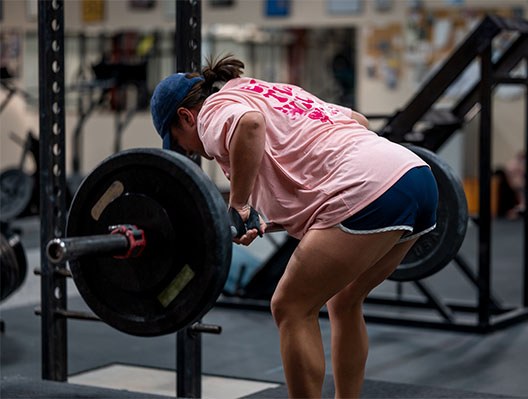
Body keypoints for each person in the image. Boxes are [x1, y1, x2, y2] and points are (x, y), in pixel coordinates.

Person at [150, 55, 438, 398]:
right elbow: (356, 121)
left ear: (185, 117)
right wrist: (266, 216)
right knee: (344, 300)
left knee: (290, 306)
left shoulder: (212, 112)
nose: (187, 150)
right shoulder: (267, 90)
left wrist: (238, 203)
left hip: (368, 191)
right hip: (416, 176)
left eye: (177, 139)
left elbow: (250, 126)